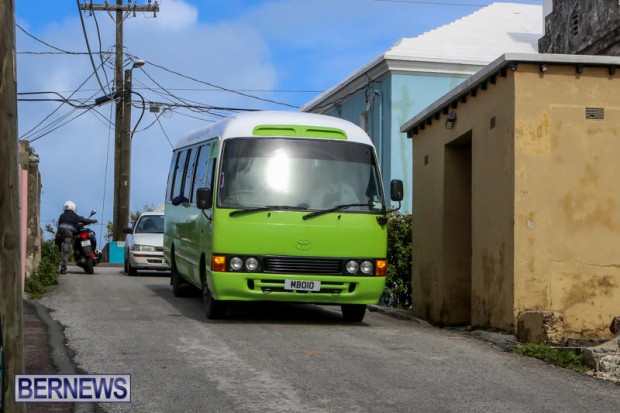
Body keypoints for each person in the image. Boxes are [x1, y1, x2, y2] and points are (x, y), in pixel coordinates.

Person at [55, 200, 97, 274]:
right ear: (73, 208)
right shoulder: (75, 216)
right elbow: (84, 220)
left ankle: (54, 266)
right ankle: (63, 269)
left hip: (60, 232)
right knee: (66, 251)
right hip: (69, 233)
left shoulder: (62, 215)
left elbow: (59, 224)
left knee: (57, 249)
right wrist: (92, 221)